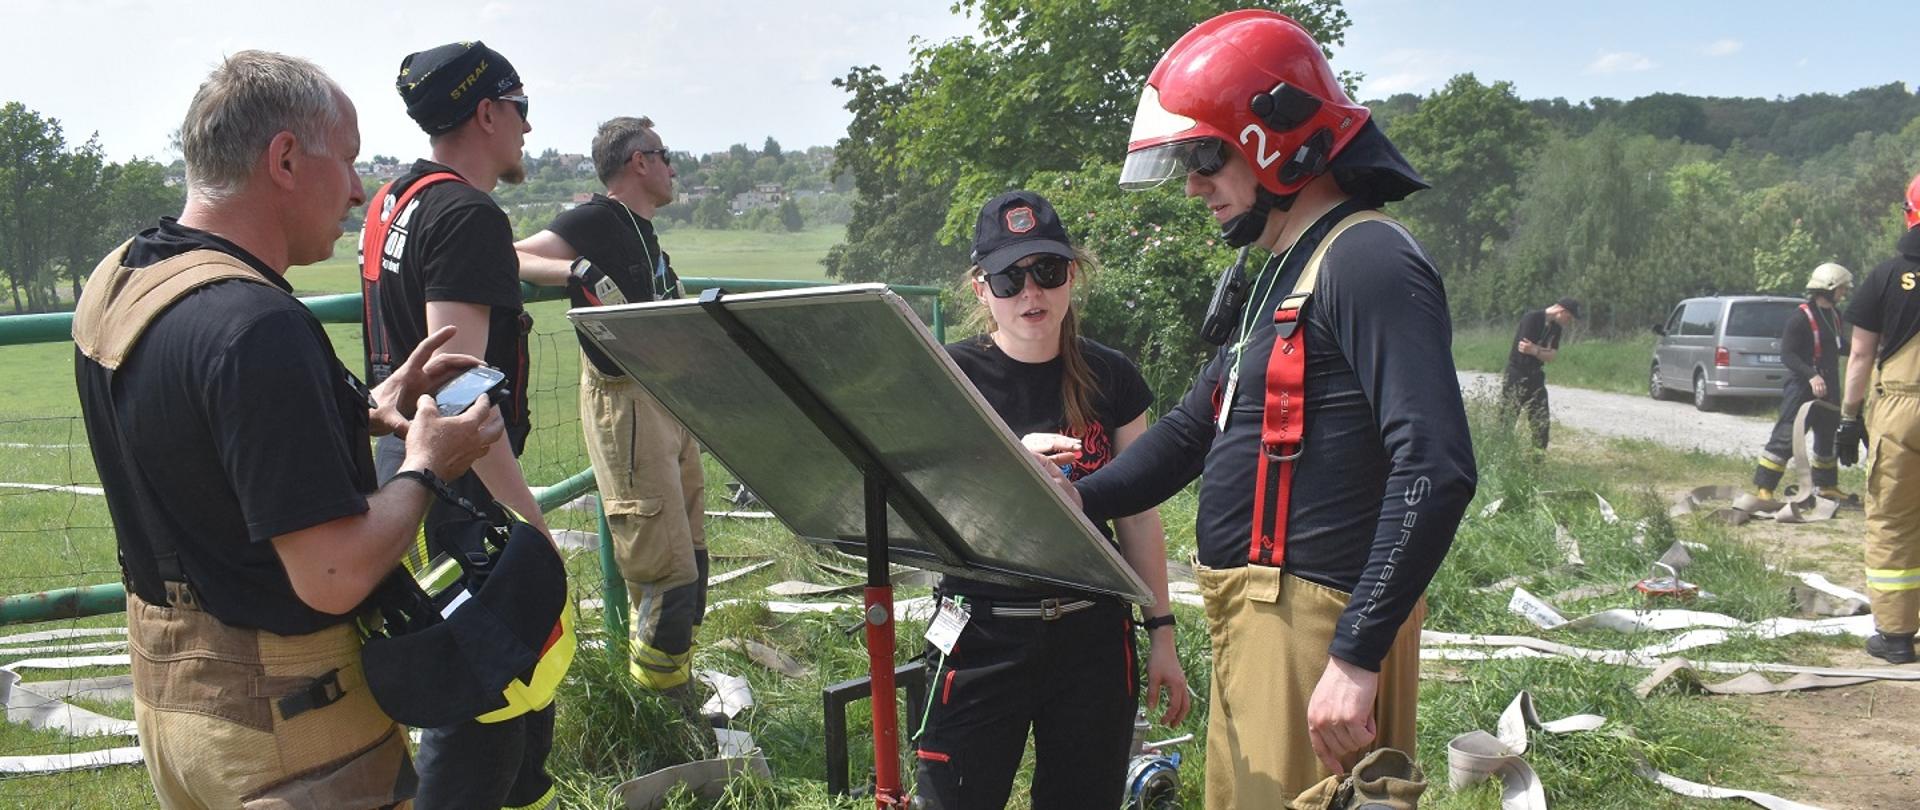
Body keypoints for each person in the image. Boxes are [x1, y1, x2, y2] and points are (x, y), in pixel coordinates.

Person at [73, 50, 503, 808]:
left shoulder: (124, 279)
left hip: (179, 719)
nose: (358, 188)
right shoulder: (256, 329)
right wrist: (429, 463)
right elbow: (331, 575)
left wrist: (358, 407)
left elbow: (202, 440)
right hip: (294, 736)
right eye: (347, 159)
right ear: (283, 158)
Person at [1072, 10, 1477, 807]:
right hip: (1255, 621)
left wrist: (1356, 657)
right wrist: (1074, 497)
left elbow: (1435, 463)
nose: (1192, 183)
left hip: (1313, 628)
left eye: (1205, 155)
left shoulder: (1367, 258)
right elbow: (1195, 430)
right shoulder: (1285, 271)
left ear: (1272, 139)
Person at [910, 190, 1189, 810]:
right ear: (982, 290)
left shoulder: (1112, 376)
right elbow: (925, 506)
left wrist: (1162, 635)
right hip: (980, 631)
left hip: (1091, 634)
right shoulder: (951, 376)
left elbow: (1139, 513)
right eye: (1009, 277)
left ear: (1072, 276)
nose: (1030, 292)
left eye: (1047, 271)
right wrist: (1008, 458)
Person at [362, 40, 555, 809]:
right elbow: (462, 399)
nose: (527, 130)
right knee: (480, 697)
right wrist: (530, 523)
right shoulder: (468, 214)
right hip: (460, 488)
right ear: (486, 112)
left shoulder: (395, 199)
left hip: (401, 466)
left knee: (510, 689)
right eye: (520, 108)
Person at [515, 117, 710, 694]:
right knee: (662, 565)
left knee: (691, 556)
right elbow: (509, 256)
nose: (674, 166)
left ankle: (675, 688)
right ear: (638, 162)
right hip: (625, 403)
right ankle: (660, 714)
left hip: (666, 401)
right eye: (665, 153)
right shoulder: (596, 218)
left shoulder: (643, 232)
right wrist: (575, 270)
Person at [1837, 171, 1920, 665]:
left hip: (1901, 410)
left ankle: (1894, 636)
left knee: (1893, 519)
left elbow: (1861, 358)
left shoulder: (1886, 276)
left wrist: (1850, 418)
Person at [1753, 263, 1851, 502]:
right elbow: (1788, 355)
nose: (1844, 292)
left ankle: (1826, 485)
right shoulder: (1800, 318)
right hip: (1801, 388)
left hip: (1829, 386)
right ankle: (1765, 487)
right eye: (1841, 288)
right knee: (1787, 436)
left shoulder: (1834, 315)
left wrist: (1870, 350)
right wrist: (1811, 375)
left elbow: (1838, 346)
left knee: (1827, 435)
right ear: (1828, 288)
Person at [1501, 298, 1578, 449]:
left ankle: (1536, 463)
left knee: (1541, 422)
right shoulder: (1532, 318)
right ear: (1561, 311)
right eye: (1569, 317)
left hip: (1536, 376)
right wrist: (1543, 350)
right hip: (1517, 374)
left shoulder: (1556, 329)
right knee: (1507, 419)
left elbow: (1551, 356)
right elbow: (1524, 348)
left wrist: (1536, 350)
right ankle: (1502, 456)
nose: (1569, 321)